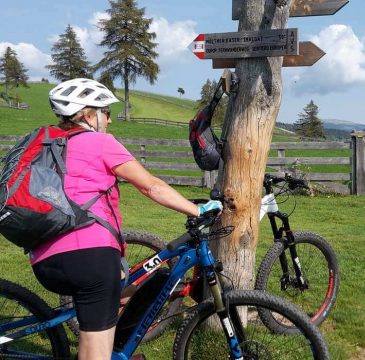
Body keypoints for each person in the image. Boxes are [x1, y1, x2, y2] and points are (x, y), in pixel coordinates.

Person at [29, 78, 222, 360]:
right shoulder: (100, 142)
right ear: (88, 115)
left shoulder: (49, 146)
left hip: (43, 258)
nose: (109, 120)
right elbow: (150, 186)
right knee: (96, 354)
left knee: (122, 282)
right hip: (88, 257)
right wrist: (198, 210)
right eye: (106, 112)